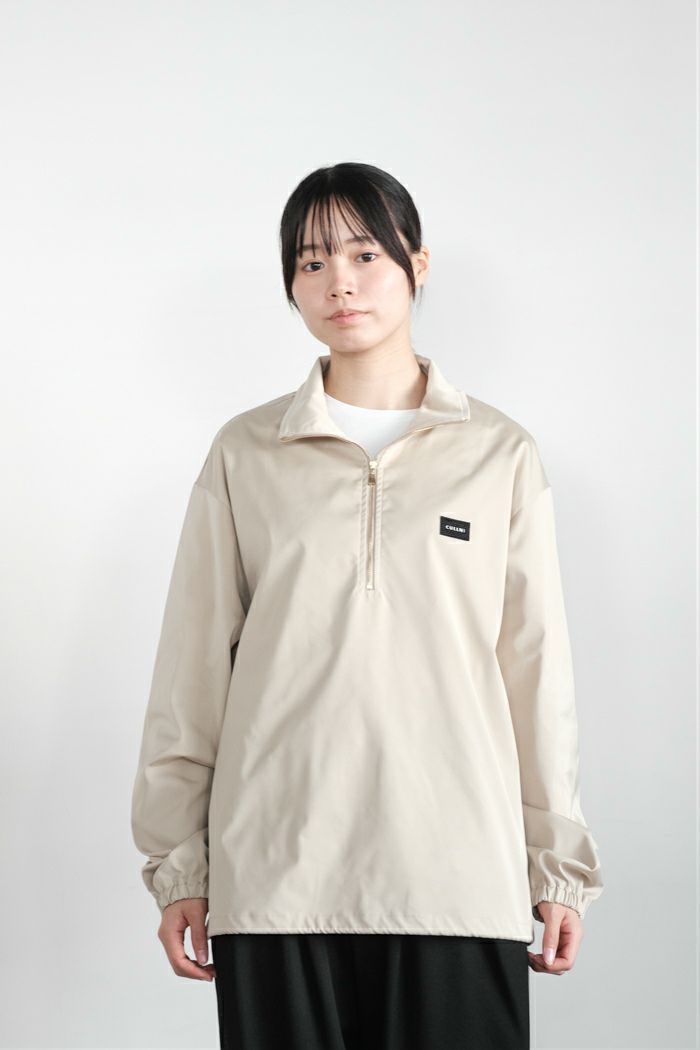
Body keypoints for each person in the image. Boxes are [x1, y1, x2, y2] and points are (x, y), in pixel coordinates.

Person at [130, 162, 604, 1049]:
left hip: (457, 877)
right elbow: (189, 675)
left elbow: (536, 676)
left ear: (416, 264)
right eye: (311, 262)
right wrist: (179, 865)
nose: (338, 282)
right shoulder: (245, 454)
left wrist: (556, 866)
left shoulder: (499, 454)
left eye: (364, 254)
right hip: (277, 877)